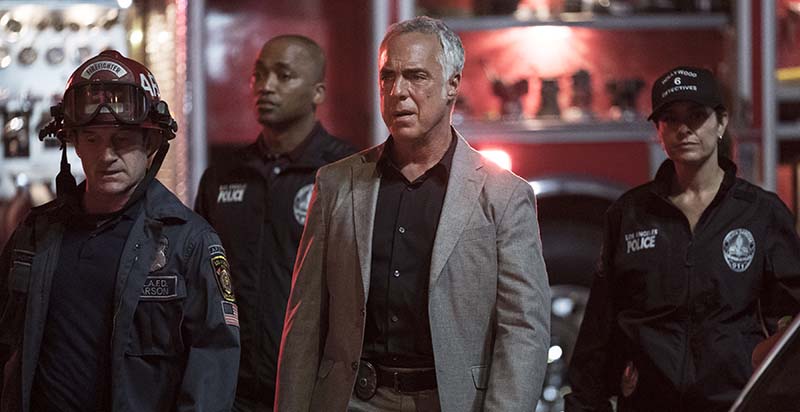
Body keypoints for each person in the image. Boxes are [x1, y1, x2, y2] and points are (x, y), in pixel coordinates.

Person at [274, 16, 551, 412]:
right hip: (354, 400)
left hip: (452, 402)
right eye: (387, 77)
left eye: (416, 76)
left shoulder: (504, 194)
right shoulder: (336, 184)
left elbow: (524, 329)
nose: (398, 92)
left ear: (452, 84)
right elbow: (304, 322)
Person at [0, 50, 240, 411]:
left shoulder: (188, 243)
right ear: (74, 144)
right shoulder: (36, 234)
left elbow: (213, 365)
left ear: (151, 144)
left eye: (122, 140)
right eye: (92, 139)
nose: (106, 155)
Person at [564, 66, 800, 412]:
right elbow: (600, 327)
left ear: (721, 123)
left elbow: (793, 325)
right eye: (670, 119)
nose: (684, 128)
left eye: (697, 116)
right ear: (658, 131)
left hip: (735, 404)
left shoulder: (761, 213)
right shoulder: (629, 214)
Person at [194, 35, 356, 411]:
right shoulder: (224, 175)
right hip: (232, 389)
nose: (266, 86)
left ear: (317, 92)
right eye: (259, 74)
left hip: (312, 390)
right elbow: (199, 282)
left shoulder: (344, 173)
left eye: (284, 76)